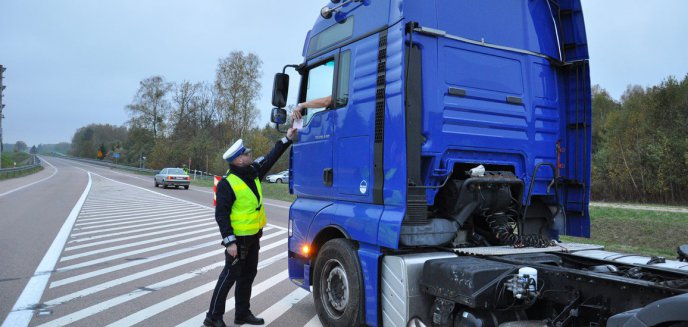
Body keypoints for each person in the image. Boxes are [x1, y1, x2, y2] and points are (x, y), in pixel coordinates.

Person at [204, 128, 296, 327]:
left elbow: (270, 158)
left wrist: (287, 139)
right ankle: (212, 317)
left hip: (253, 237)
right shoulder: (227, 184)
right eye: (246, 153)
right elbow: (221, 216)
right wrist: (229, 241)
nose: (249, 154)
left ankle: (242, 314)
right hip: (238, 240)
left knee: (248, 276)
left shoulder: (252, 172)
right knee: (229, 276)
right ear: (238, 160)